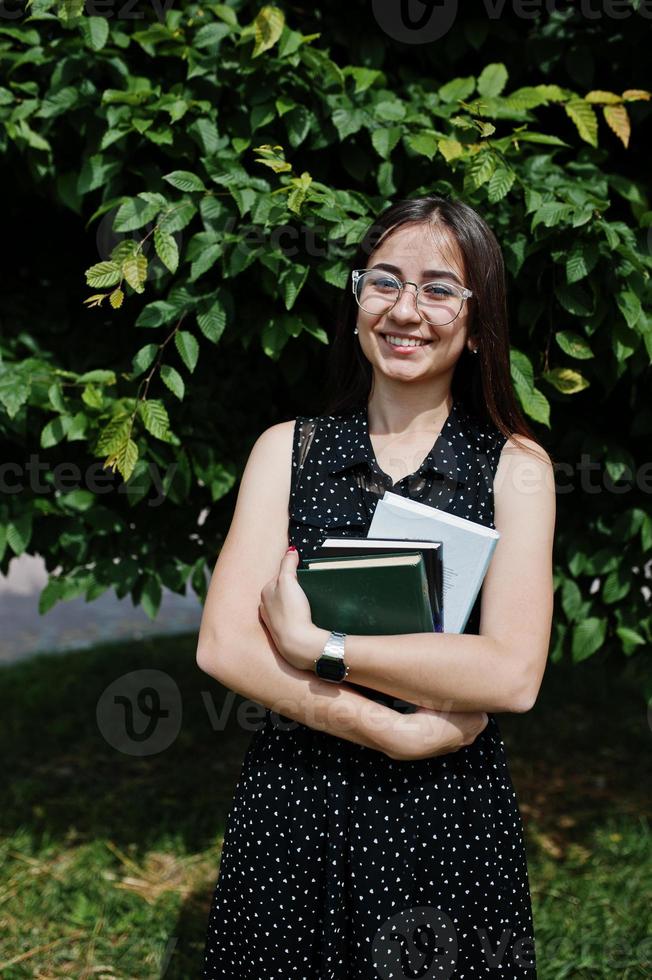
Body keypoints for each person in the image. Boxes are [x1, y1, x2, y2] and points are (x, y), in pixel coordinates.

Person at [196, 194, 556, 979]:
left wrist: (319, 647)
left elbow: (513, 674)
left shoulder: (516, 469)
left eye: (438, 289)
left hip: (447, 812)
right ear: (356, 299)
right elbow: (225, 645)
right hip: (296, 801)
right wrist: (385, 729)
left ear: (476, 318)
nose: (406, 310)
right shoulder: (285, 451)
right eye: (383, 282)